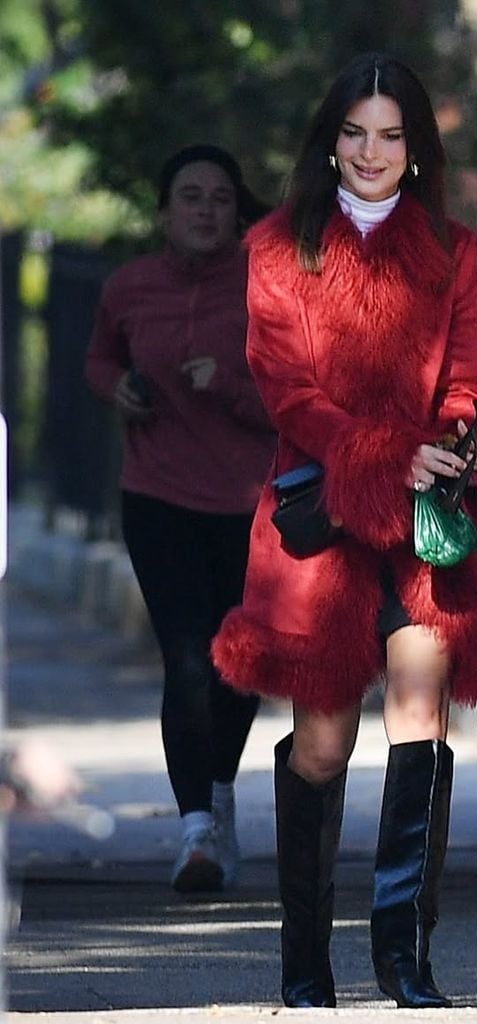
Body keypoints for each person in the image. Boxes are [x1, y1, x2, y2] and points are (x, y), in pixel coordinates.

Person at [210, 53, 477, 1009]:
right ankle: (305, 964)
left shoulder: (454, 248)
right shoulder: (274, 246)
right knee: (320, 746)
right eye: (355, 132)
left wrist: (458, 435)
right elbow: (287, 393)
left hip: (426, 522)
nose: (372, 151)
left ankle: (404, 959)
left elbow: (470, 374)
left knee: (421, 717)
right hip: (323, 519)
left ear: (416, 149)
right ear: (329, 140)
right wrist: (387, 455)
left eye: (391, 134)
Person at [85, 144, 275, 893]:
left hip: (249, 504)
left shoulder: (267, 288)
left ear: (237, 211)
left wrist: (230, 384)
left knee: (241, 664)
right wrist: (116, 389)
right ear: (164, 212)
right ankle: (197, 826)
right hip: (157, 497)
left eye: (220, 198)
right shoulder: (129, 286)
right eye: (190, 196)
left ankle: (218, 793)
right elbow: (99, 359)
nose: (205, 209)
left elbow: (298, 399)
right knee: (189, 658)